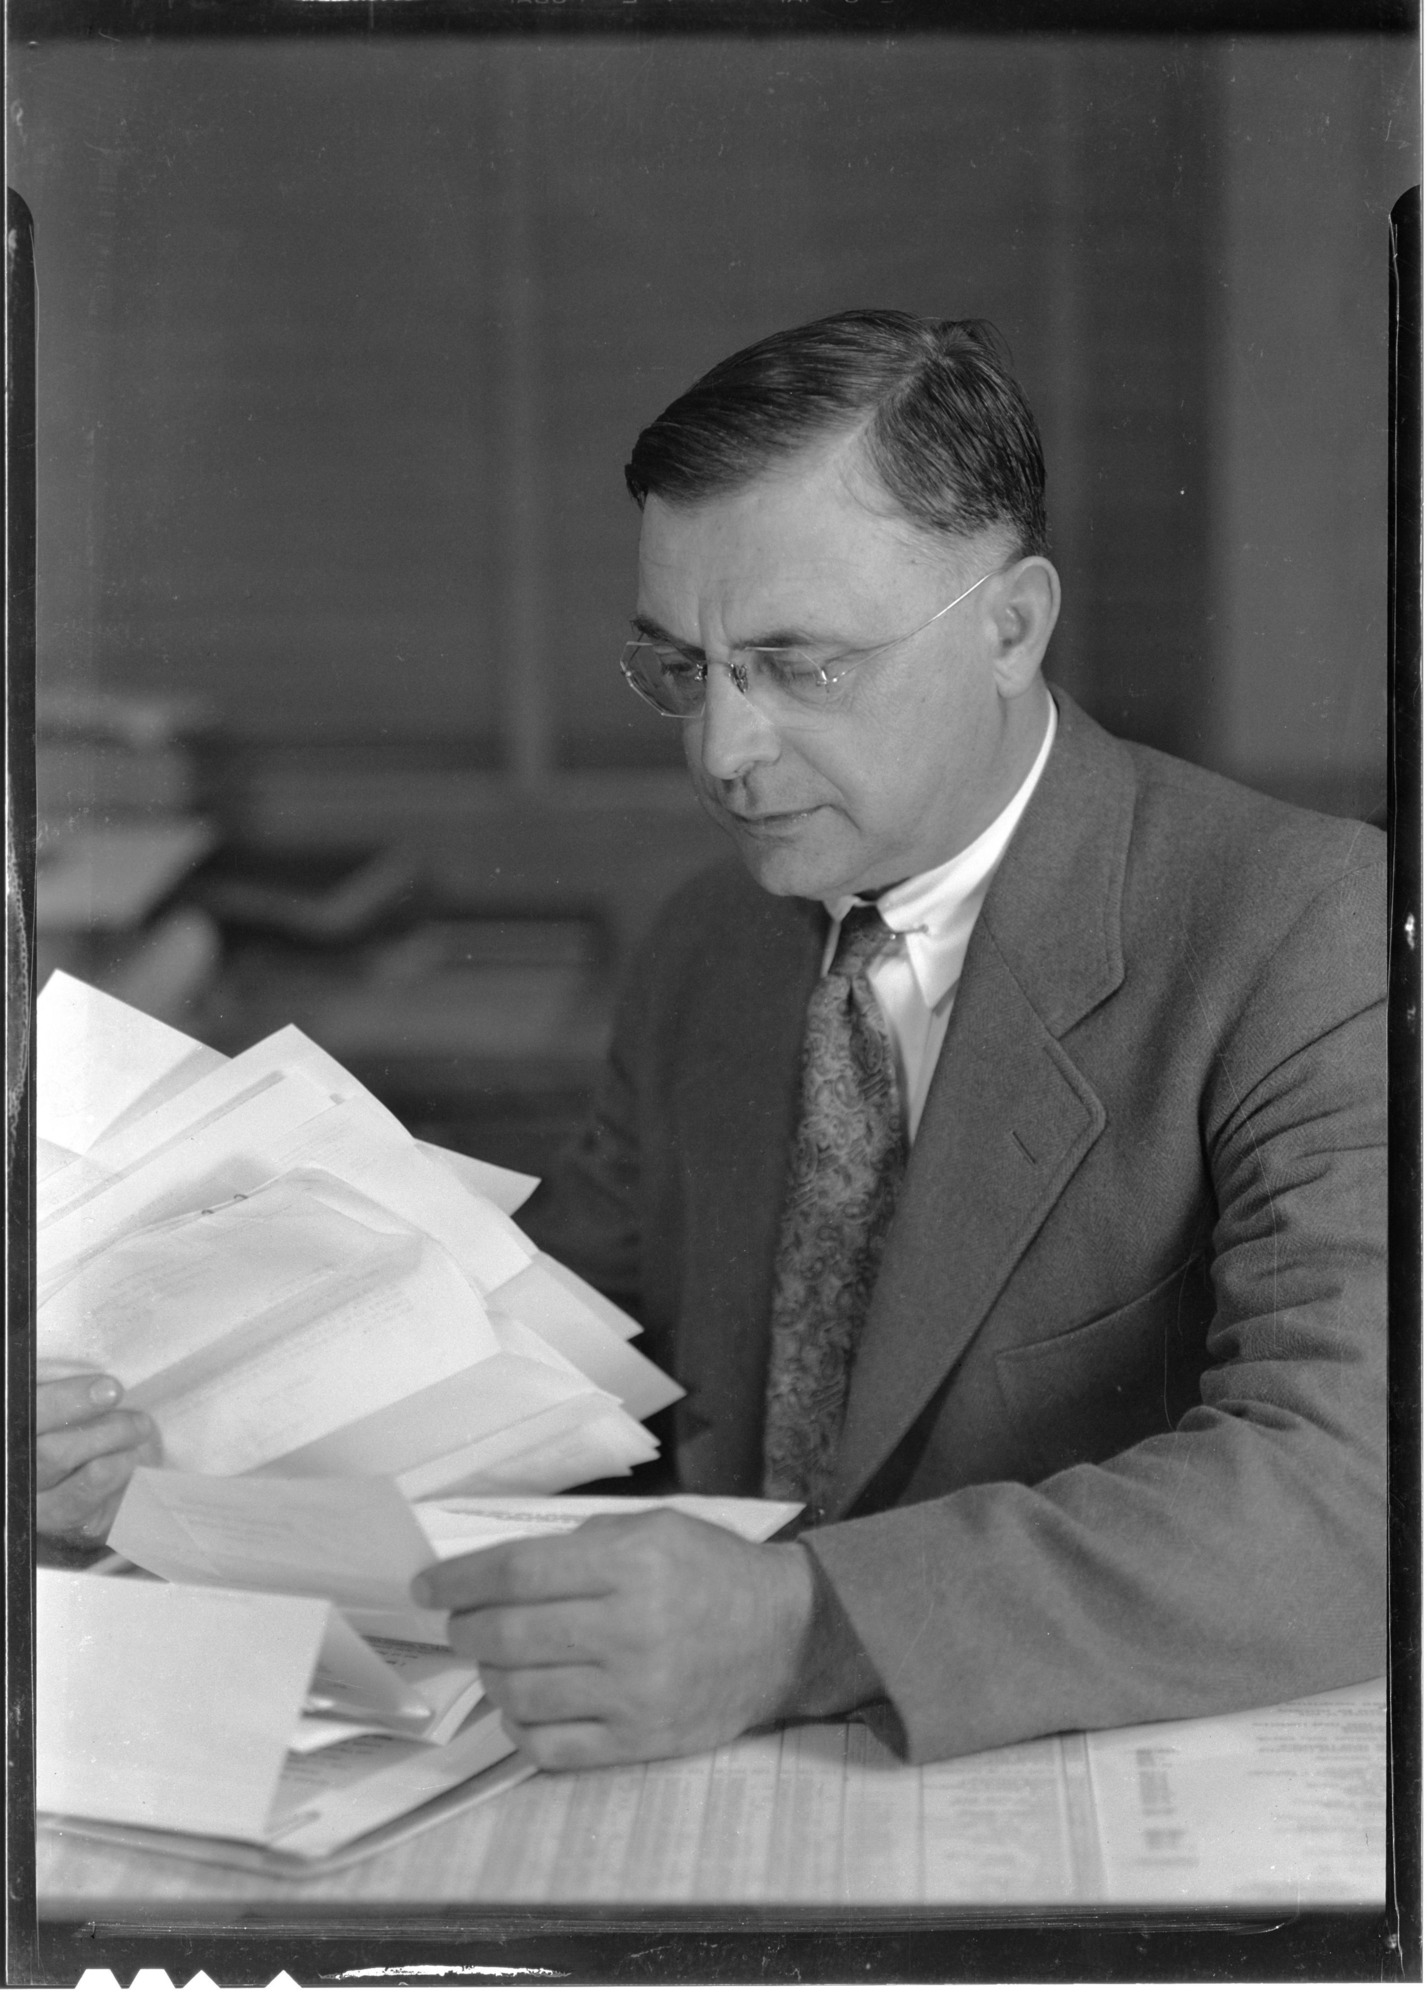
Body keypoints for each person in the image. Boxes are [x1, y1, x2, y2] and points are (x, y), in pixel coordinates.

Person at [39, 312, 1386, 1774]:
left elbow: (1351, 1490)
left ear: (1011, 626)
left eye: (801, 667)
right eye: (684, 668)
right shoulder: (712, 946)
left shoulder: (1303, 928)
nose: (724, 754)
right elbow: (537, 1390)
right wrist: (156, 1459)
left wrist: (801, 1623)